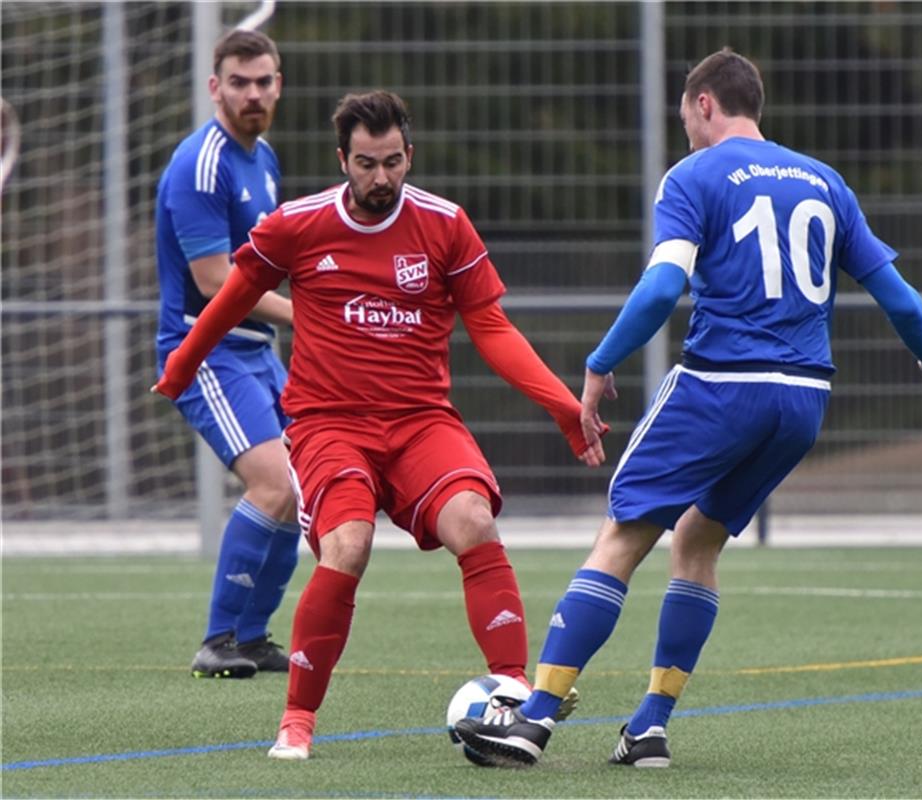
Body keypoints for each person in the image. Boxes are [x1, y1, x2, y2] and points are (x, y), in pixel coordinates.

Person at [455, 48, 922, 768]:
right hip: (802, 401)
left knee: (622, 535)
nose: (685, 133)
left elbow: (664, 288)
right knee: (697, 545)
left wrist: (599, 365)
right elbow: (897, 295)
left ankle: (531, 720)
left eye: (685, 118)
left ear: (703, 104)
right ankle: (649, 727)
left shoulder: (693, 176)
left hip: (722, 385)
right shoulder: (823, 181)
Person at [153, 90, 606, 759]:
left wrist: (564, 406)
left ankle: (509, 695)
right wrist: (183, 364)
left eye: (393, 162)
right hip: (329, 423)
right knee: (348, 547)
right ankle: (297, 722)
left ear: (409, 155)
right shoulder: (297, 225)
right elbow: (233, 295)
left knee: (473, 521)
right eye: (366, 164)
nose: (382, 178)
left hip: (421, 422)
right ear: (343, 160)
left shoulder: (445, 225)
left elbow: (492, 329)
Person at [154, 29, 300, 679]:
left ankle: (252, 636)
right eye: (238, 82)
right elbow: (216, 283)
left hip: (257, 353)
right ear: (215, 87)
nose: (252, 94)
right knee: (272, 487)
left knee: (306, 488)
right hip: (207, 351)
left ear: (279, 86)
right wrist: (308, 316)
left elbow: (277, 260)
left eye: (263, 81)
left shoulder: (263, 156)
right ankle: (217, 640)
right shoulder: (201, 163)